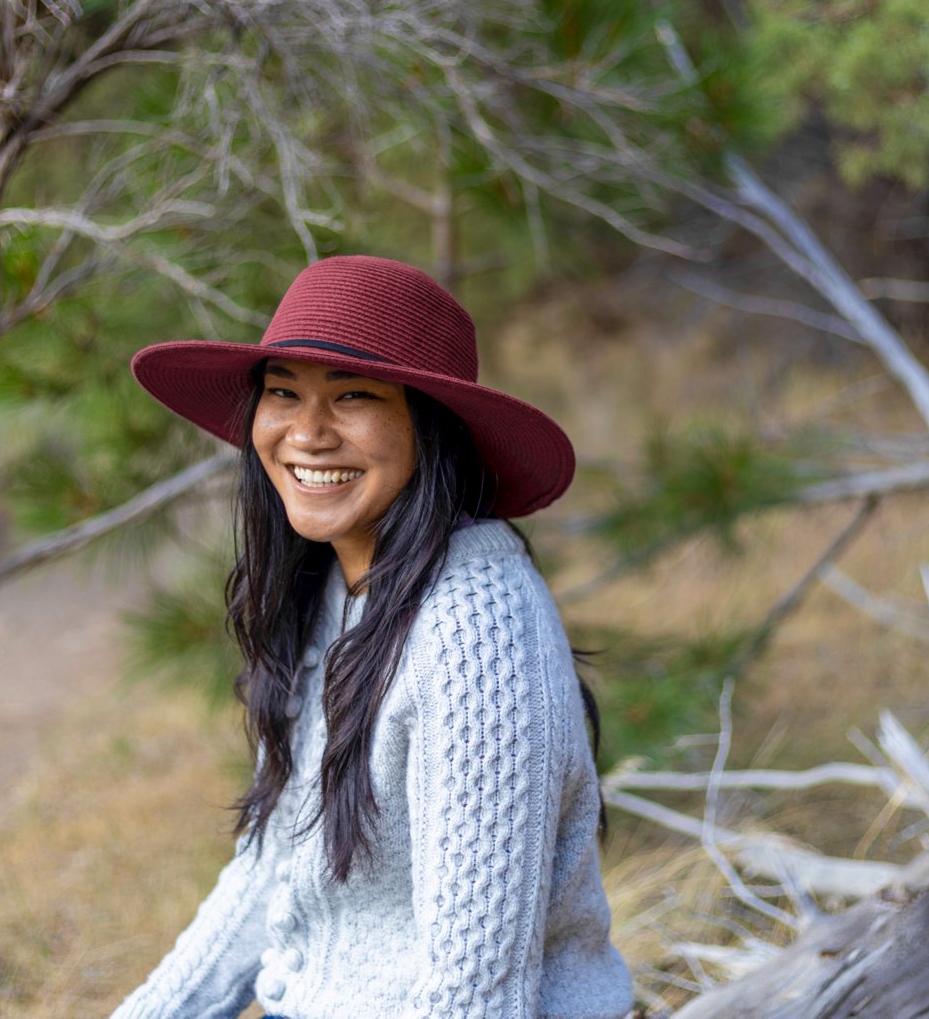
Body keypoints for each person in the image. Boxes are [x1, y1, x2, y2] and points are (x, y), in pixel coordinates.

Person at [112, 254, 634, 1019]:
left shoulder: (475, 632)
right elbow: (270, 875)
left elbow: (475, 997)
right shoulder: (336, 583)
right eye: (283, 392)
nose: (306, 433)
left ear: (431, 425)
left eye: (353, 395)